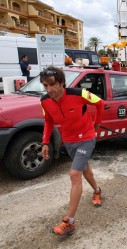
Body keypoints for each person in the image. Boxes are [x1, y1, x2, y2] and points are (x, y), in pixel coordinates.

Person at [40, 66, 104, 236]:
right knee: (85, 171)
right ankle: (97, 191)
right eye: (45, 86)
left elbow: (100, 103)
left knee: (75, 173)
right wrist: (45, 142)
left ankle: (69, 221)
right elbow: (48, 121)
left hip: (86, 138)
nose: (49, 89)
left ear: (62, 83)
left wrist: (96, 123)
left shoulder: (79, 93)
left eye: (52, 85)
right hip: (68, 141)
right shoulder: (45, 101)